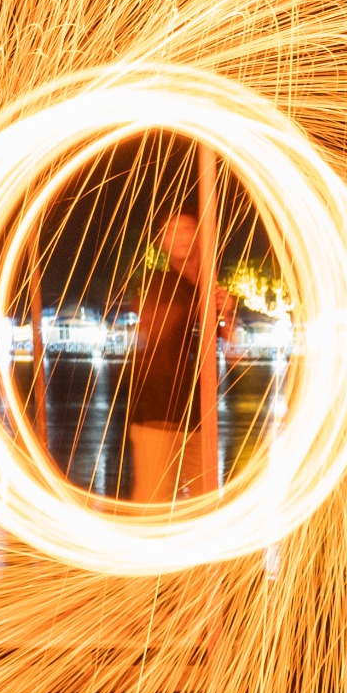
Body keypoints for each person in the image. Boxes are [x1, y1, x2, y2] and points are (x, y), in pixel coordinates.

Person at [121, 210, 228, 503]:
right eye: (171, 230)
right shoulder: (156, 284)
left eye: (187, 228)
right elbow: (153, 327)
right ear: (161, 243)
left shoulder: (208, 291)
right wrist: (203, 304)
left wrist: (227, 315)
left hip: (198, 418)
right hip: (156, 416)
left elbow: (236, 356)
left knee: (204, 505)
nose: (179, 235)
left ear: (200, 237)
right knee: (151, 506)